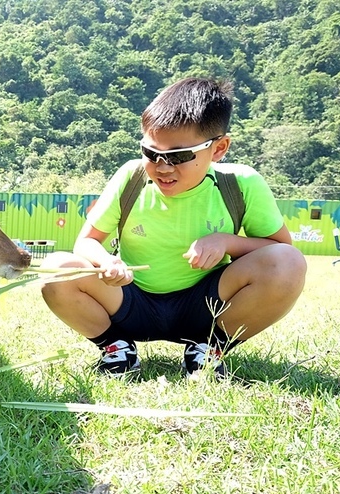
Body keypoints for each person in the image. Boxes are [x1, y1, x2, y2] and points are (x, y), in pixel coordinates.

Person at [40, 77, 306, 377]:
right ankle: (117, 347)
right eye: (151, 153)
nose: (163, 167)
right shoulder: (132, 177)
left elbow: (280, 249)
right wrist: (106, 262)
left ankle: (208, 348)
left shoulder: (241, 184)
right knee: (57, 269)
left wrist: (226, 242)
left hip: (206, 310)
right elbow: (86, 242)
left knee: (288, 264)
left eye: (179, 156)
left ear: (219, 148)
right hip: (130, 301)